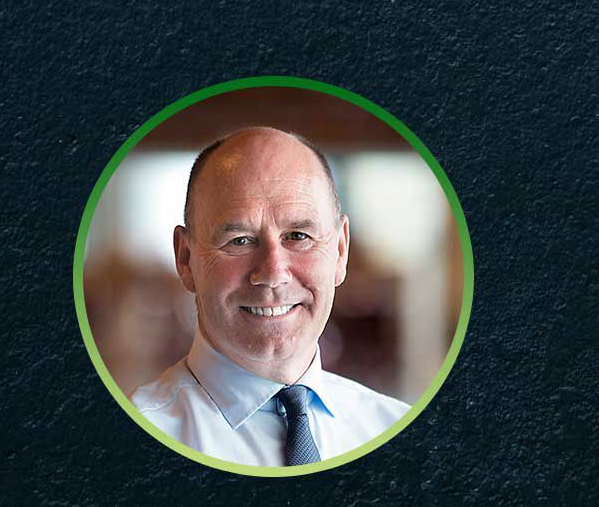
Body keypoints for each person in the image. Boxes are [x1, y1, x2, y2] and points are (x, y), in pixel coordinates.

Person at [129, 127, 409, 467]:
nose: (273, 272)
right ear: (186, 259)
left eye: (298, 235)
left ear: (339, 251)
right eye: (240, 240)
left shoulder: (393, 428)